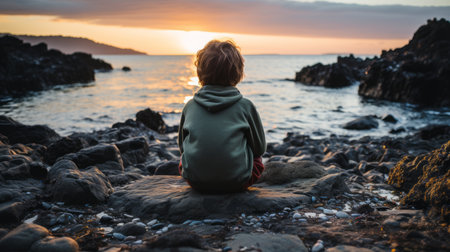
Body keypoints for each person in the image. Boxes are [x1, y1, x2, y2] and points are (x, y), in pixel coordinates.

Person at [178, 40, 266, 193]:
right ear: (238, 73)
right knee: (257, 160)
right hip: (237, 182)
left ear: (199, 72)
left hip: (196, 181)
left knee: (184, 159)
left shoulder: (190, 106)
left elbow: (182, 147)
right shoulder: (245, 106)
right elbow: (260, 148)